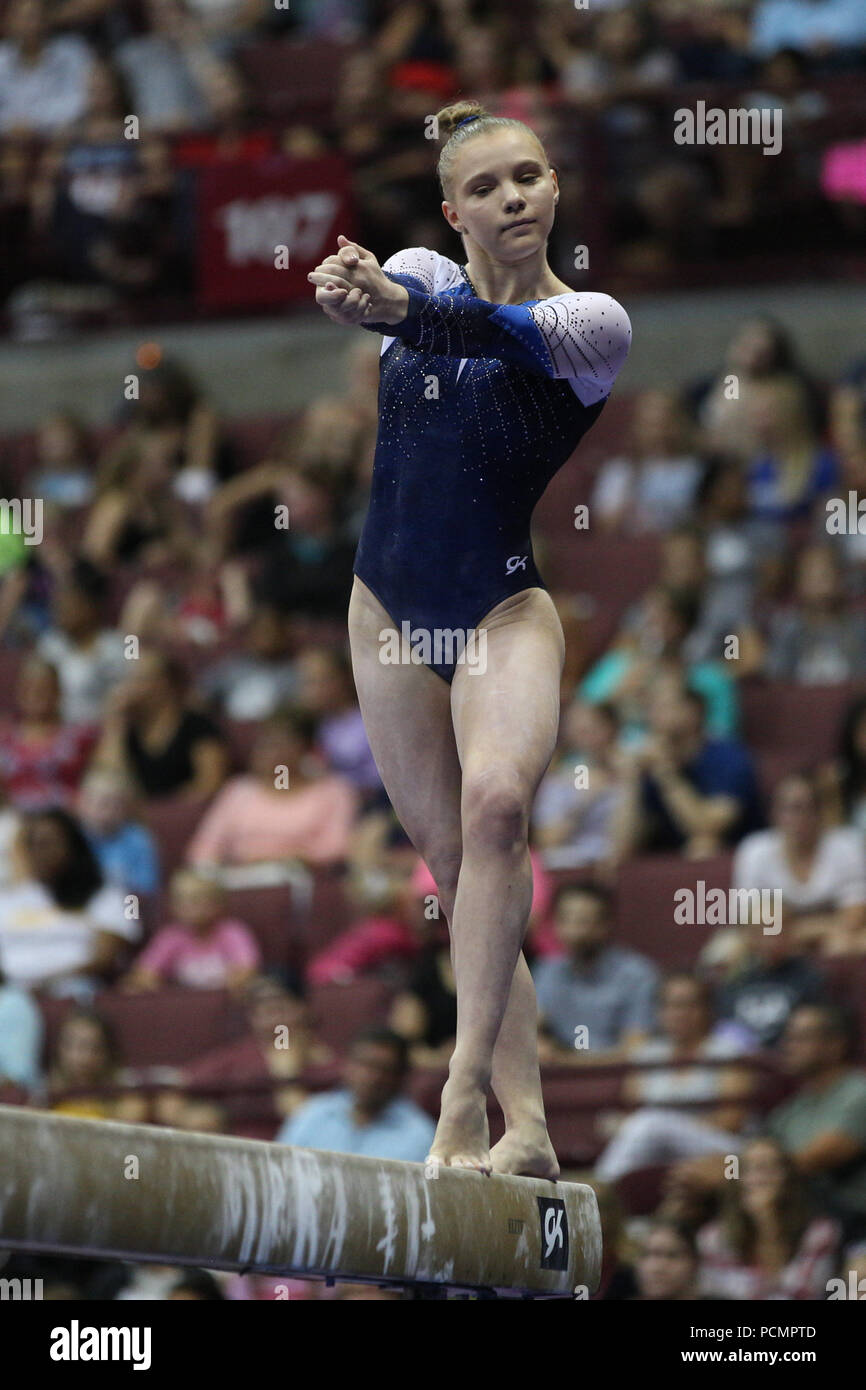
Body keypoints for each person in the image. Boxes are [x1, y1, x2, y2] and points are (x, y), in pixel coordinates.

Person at [307, 98, 631, 1175]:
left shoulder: (592, 325)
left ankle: (462, 1101)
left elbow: (477, 334)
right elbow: (403, 310)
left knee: (498, 807)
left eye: (528, 177)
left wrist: (389, 303)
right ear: (451, 210)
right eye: (485, 187)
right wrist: (359, 296)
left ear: (555, 187)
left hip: (498, 610)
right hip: (384, 609)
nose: (513, 199)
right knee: (455, 865)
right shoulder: (422, 274)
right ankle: (528, 1127)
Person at [594, 973, 754, 1182]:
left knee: (651, 1122)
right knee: (639, 1125)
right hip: (654, 1145)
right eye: (670, 1006)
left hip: (721, 1147)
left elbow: (731, 1122)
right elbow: (631, 1111)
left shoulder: (727, 1053)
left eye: (688, 1005)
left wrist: (670, 1126)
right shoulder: (647, 1055)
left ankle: (599, 1188)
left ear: (706, 1009)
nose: (679, 1014)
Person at [186, 707, 359, 870]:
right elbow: (203, 850)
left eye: (282, 743)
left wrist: (285, 861)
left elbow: (337, 847)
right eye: (266, 743)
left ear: (306, 748)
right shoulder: (237, 791)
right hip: (239, 879)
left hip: (305, 879)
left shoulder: (334, 791)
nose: (272, 752)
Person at [613, 680, 762, 859]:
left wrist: (665, 773)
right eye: (651, 707)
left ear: (693, 713)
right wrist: (631, 779)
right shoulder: (648, 763)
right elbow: (622, 845)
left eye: (664, 707)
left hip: (738, 856)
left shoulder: (728, 757)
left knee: (703, 846)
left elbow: (707, 827)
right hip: (673, 853)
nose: (654, 715)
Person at [0, 807, 138, 995]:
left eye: (46, 844)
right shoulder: (10, 897)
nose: (37, 853)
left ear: (73, 846)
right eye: (31, 845)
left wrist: (45, 983)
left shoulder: (118, 897)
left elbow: (106, 957)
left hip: (74, 991)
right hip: (10, 993)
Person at [727, 771, 866, 956]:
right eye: (790, 808)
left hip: (833, 937)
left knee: (846, 944)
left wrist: (785, 930)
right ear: (774, 813)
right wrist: (816, 929)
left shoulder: (846, 845)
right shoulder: (755, 851)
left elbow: (853, 917)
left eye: (807, 808)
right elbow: (748, 920)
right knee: (729, 950)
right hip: (769, 942)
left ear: (820, 812)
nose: (799, 817)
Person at [697, 1135, 841, 1300]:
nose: (760, 1177)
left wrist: (767, 1222)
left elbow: (803, 1293)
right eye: (749, 1169)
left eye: (770, 1168)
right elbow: (715, 1294)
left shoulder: (819, 1232)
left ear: (788, 1178)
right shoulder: (712, 1237)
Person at [532, 882, 659, 1060]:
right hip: (560, 1076)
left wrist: (570, 1062)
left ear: (606, 924)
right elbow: (531, 1029)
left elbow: (637, 1048)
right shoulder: (548, 970)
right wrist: (539, 1044)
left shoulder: (637, 975)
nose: (573, 931)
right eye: (565, 920)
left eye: (583, 921)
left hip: (615, 1076)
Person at [276, 1028, 435, 1163]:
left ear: (401, 1076)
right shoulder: (311, 1113)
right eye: (363, 1064)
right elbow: (280, 1170)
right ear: (346, 1065)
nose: (371, 1076)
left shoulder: (421, 1135)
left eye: (382, 1068)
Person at [94, 649, 229, 801]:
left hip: (183, 816)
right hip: (138, 818)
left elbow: (209, 786)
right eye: (129, 680)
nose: (129, 689)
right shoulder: (128, 731)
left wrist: (164, 808)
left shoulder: (198, 726)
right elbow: (107, 784)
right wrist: (115, 729)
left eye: (139, 680)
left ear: (165, 684)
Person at [122, 868, 261, 991]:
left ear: (219, 902)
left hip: (225, 1004)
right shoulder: (170, 936)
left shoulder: (232, 931)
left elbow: (247, 970)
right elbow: (144, 973)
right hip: (183, 1007)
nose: (189, 906)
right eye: (182, 900)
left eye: (197, 899)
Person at [0, 655, 97, 810]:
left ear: (59, 692)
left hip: (66, 818)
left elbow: (99, 782)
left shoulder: (81, 735)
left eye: (43, 688)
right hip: (13, 821)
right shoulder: (4, 736)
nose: (35, 694)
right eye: (28, 688)